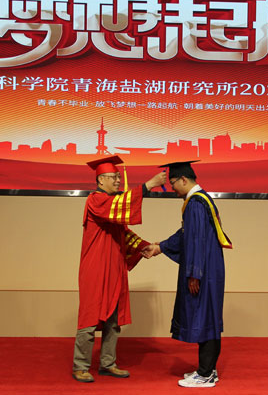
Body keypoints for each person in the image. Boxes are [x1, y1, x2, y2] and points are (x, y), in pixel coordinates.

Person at [72, 155, 166, 383]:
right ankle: (80, 365)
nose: (117, 181)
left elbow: (124, 234)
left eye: (117, 177)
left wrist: (145, 246)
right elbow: (122, 203)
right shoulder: (96, 200)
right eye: (113, 177)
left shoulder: (111, 206)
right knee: (90, 318)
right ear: (100, 180)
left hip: (114, 268)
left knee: (113, 319)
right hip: (95, 270)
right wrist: (148, 185)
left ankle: (108, 363)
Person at [145, 161, 231, 388]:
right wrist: (160, 247)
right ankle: (207, 370)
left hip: (204, 270)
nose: (172, 188)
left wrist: (195, 273)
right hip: (208, 267)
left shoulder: (196, 203)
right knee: (207, 316)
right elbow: (186, 234)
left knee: (206, 317)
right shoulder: (200, 200)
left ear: (184, 179)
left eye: (173, 183)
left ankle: (206, 374)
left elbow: (196, 240)